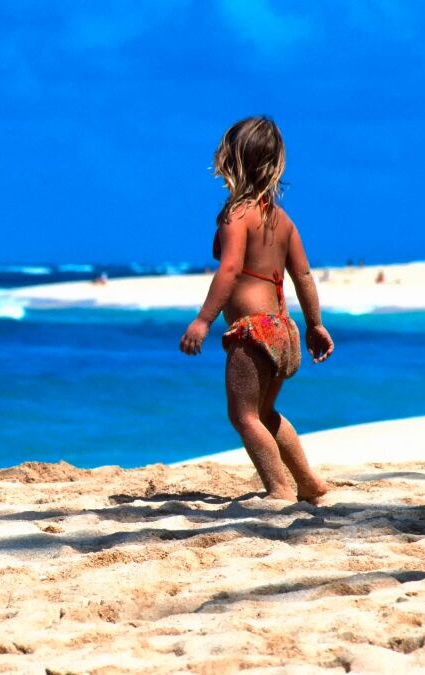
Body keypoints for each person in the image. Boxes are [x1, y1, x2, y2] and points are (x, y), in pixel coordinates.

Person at [179, 116, 334, 503]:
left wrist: (203, 319)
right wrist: (315, 325)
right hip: (283, 328)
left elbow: (229, 269)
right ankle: (308, 483)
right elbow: (304, 276)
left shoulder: (237, 215)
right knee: (266, 412)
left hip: (253, 332)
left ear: (230, 162)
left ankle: (279, 488)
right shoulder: (283, 221)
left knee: (243, 415)